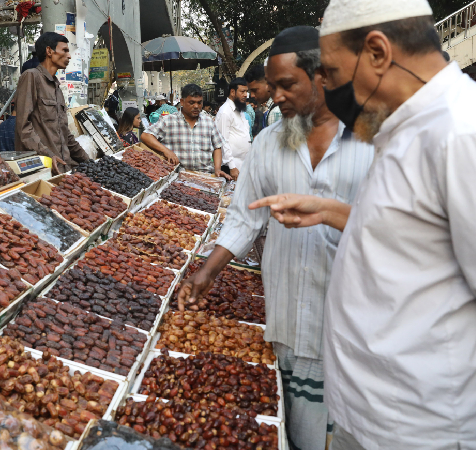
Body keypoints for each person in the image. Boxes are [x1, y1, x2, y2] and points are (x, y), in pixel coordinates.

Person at [249, 1, 476, 448]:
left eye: (331, 74)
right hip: (371, 416)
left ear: (377, 52)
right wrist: (330, 211)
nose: (328, 89)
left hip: (418, 426)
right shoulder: (403, 126)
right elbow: (417, 239)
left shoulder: (459, 134)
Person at [178, 26, 374, 450]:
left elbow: (399, 229)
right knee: (294, 425)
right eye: (271, 85)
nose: (274, 95)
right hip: (287, 309)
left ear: (323, 76)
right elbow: (244, 217)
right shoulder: (268, 143)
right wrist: (207, 271)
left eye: (287, 85)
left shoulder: (372, 139)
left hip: (353, 317)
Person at [15, 32, 89, 175]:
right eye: (65, 50)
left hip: (63, 169)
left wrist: (88, 160)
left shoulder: (56, 87)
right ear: (49, 51)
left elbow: (65, 133)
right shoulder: (31, 76)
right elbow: (23, 127)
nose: (69, 56)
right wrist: (48, 154)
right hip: (42, 170)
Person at [141, 84, 230, 178]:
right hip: (177, 177)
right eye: (191, 102)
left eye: (199, 103)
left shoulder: (209, 122)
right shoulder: (168, 121)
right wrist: (166, 151)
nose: (196, 106)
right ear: (182, 102)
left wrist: (217, 169)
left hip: (205, 176)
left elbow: (217, 147)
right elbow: (146, 136)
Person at [215, 77, 251, 178]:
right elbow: (223, 141)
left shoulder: (240, 110)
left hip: (242, 164)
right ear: (232, 92)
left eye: (246, 92)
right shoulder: (225, 112)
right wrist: (232, 166)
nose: (245, 95)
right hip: (230, 167)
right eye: (242, 91)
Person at [245, 63, 282, 136]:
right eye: (250, 91)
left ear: (268, 84)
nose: (252, 95)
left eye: (255, 90)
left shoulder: (275, 112)